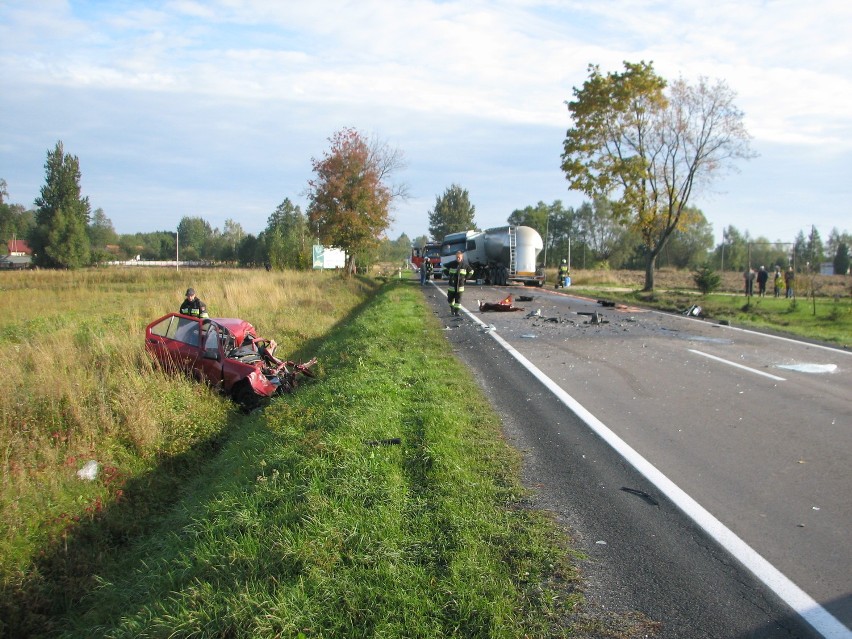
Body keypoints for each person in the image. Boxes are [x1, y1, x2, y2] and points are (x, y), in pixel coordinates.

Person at [444, 250, 468, 316]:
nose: (458, 258)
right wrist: (447, 274)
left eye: (459, 257)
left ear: (461, 257)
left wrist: (466, 277)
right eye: (457, 257)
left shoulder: (464, 265)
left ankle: (456, 312)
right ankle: (452, 308)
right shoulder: (452, 264)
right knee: (450, 300)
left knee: (458, 301)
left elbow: (471, 271)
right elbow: (444, 266)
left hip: (460, 287)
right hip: (452, 286)